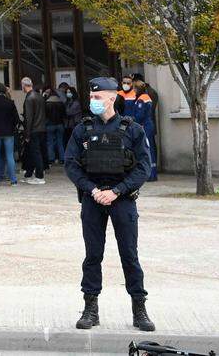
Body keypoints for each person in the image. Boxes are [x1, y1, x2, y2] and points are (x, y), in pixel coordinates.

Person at [64, 77, 155, 333]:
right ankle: (90, 309)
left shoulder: (133, 129)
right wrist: (91, 189)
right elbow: (70, 164)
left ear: (111, 98)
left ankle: (139, 309)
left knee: (129, 255)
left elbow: (143, 168)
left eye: (97, 97)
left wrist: (117, 191)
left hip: (122, 200)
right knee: (93, 255)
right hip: (93, 199)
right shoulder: (82, 129)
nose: (92, 101)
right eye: (91, 97)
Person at [21, 77, 48, 184]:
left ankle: (39, 176)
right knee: (34, 152)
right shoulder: (39, 96)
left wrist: (27, 134)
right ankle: (29, 173)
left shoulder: (29, 98)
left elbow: (28, 118)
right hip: (42, 128)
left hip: (33, 129)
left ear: (23, 85)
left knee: (35, 153)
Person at [130, 82, 158, 182]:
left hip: (145, 126)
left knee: (147, 150)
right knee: (151, 149)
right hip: (148, 125)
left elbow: (139, 116)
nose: (133, 90)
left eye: (134, 88)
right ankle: (152, 173)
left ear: (137, 89)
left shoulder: (142, 99)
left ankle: (151, 174)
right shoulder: (146, 97)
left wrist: (132, 120)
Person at [44, 87, 67, 166]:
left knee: (50, 142)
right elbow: (65, 114)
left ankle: (51, 159)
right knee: (60, 142)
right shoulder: (61, 103)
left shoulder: (47, 103)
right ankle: (62, 159)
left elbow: (45, 115)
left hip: (50, 125)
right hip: (60, 124)